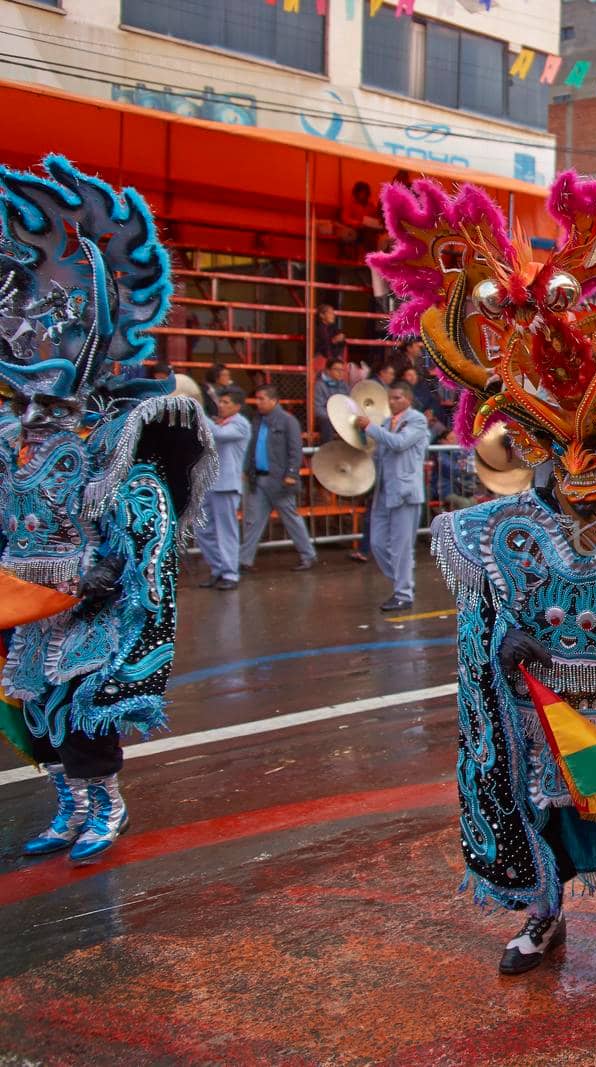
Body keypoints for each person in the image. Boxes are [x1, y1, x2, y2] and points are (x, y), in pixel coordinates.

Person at [371, 163, 596, 974]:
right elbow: (486, 624)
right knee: (544, 807)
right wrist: (504, 652)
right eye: (560, 451)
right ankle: (544, 910)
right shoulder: (500, 531)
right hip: (543, 708)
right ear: (535, 446)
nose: (580, 475)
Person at [0, 157, 215, 863]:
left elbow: (147, 538)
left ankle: (106, 806)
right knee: (39, 717)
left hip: (89, 607)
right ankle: (67, 807)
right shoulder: (9, 444)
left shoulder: (115, 442)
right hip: (25, 609)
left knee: (86, 718)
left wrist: (102, 580)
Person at [354, 382, 428, 612]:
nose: (392, 402)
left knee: (401, 547)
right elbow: (380, 454)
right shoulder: (387, 422)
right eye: (390, 398)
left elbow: (398, 443)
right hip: (384, 492)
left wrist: (370, 428)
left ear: (407, 398)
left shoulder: (417, 420)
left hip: (405, 492)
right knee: (376, 543)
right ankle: (403, 582)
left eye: (396, 398)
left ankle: (403, 593)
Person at [240, 385, 317, 572]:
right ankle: (244, 560)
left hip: (279, 481)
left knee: (290, 519)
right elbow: (251, 447)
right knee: (253, 521)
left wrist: (291, 474)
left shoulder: (288, 421)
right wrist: (246, 469)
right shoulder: (257, 420)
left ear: (273, 400)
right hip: (258, 479)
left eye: (261, 399)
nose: (258, 402)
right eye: (257, 399)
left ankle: (308, 555)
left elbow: (295, 450)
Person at [197, 387, 250, 590]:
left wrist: (198, 411)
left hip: (226, 485)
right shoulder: (219, 422)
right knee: (203, 530)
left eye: (227, 402)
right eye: (221, 401)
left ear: (237, 406)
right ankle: (217, 569)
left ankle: (230, 573)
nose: (221, 405)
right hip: (209, 483)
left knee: (226, 531)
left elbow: (218, 434)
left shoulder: (240, 424)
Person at [312, 357, 350, 444]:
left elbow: (349, 403)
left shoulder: (344, 386)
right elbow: (318, 409)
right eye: (337, 369)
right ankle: (328, 450)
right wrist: (333, 418)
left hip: (341, 418)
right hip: (327, 419)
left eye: (342, 370)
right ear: (328, 371)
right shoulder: (320, 386)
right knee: (326, 422)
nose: (340, 372)